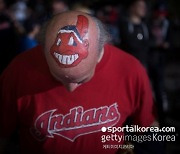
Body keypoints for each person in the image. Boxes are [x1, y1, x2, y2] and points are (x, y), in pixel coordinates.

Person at [0, 11, 157, 154]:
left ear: (99, 51)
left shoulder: (130, 70)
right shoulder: (19, 70)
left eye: (81, 80)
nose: (71, 89)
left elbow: (148, 126)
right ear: (44, 49)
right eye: (58, 78)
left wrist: (136, 146)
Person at [119, 0, 149, 67]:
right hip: (128, 63)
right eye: (140, 6)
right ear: (132, 7)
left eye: (144, 6)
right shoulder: (125, 25)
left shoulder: (145, 26)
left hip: (143, 63)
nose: (143, 9)